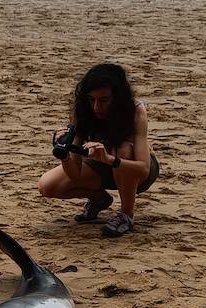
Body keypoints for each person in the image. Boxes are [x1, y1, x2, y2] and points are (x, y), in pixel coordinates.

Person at [37, 62, 159, 238]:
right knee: (47, 186)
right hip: (101, 164)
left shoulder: (135, 111)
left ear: (117, 98)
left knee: (123, 149)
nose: (96, 107)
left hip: (135, 170)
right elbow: (74, 174)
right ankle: (98, 199)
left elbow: (143, 168)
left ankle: (126, 214)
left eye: (103, 100)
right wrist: (64, 151)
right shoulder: (82, 111)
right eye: (91, 99)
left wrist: (110, 160)